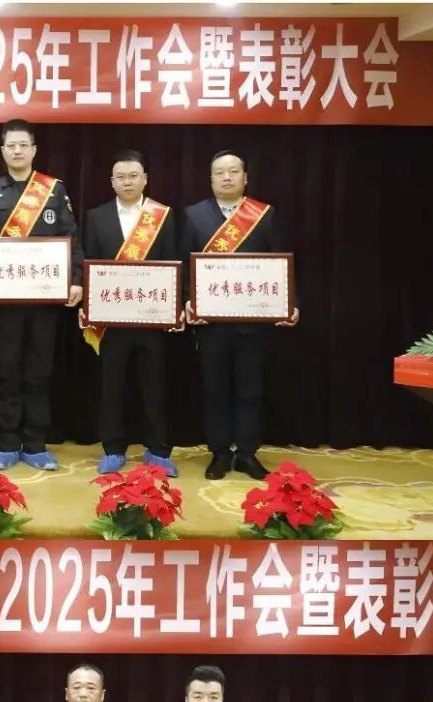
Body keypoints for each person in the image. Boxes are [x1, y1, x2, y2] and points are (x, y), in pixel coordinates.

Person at [0, 118, 84, 472]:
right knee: (6, 370)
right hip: (3, 302)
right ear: (2, 151)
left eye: (23, 145)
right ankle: (8, 441)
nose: (17, 151)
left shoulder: (54, 190)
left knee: (39, 371)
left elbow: (71, 239)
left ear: (34, 150)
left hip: (45, 300)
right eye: (11, 145)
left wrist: (77, 279)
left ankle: (35, 443)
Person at [181, 151, 299, 481]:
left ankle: (247, 453)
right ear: (210, 179)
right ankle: (219, 452)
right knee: (214, 390)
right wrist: (188, 300)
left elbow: (281, 262)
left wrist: (290, 302)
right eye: (220, 172)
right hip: (211, 324)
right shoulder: (193, 215)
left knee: (250, 390)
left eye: (234, 171)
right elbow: (184, 265)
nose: (227, 177)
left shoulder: (264, 214)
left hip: (253, 323)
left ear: (246, 177)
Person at [80, 150, 180, 477]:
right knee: (111, 386)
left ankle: (158, 449)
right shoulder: (96, 217)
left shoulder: (162, 216)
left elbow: (173, 262)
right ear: (112, 181)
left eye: (133, 176)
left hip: (153, 317)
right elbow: (89, 265)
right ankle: (113, 448)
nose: (127, 182)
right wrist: (87, 308)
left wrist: (175, 307)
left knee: (155, 385)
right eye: (121, 177)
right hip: (111, 320)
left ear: (145, 179)